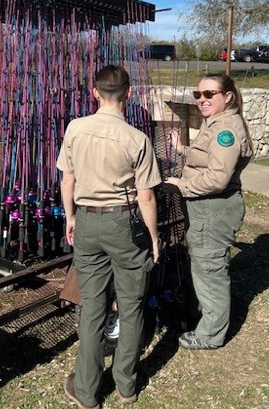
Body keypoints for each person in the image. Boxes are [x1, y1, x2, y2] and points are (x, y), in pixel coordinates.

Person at [57, 65, 161, 409]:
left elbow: (67, 181)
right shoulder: (137, 139)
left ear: (94, 91)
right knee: (131, 307)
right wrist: (154, 238)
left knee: (92, 308)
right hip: (124, 224)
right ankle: (126, 387)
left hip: (87, 221)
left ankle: (87, 392)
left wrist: (71, 218)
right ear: (129, 94)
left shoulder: (75, 128)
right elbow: (146, 197)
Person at [165, 73, 253, 350]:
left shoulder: (226, 129)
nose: (202, 100)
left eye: (209, 94)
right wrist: (183, 150)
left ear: (227, 96)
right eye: (198, 95)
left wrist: (182, 185)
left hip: (213, 209)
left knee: (209, 271)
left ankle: (210, 335)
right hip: (208, 208)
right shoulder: (216, 122)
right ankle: (206, 317)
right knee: (204, 266)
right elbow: (209, 158)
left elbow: (218, 178)